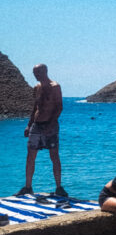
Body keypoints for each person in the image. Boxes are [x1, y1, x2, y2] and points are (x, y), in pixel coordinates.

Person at [18, 63, 66, 197]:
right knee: (30, 156)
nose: (36, 76)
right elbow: (36, 107)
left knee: (54, 156)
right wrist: (29, 125)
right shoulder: (37, 87)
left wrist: (51, 124)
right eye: (34, 73)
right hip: (36, 125)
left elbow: (59, 107)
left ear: (45, 71)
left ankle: (59, 187)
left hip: (50, 125)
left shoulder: (55, 87)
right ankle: (28, 187)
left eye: (38, 73)